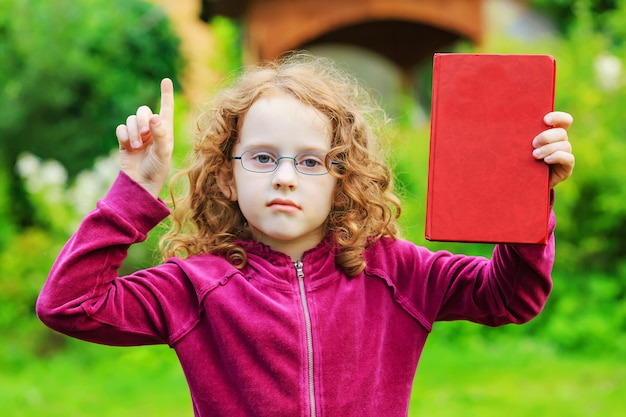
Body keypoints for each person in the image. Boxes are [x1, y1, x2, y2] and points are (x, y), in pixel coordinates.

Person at [36, 54, 575, 417]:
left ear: (344, 174)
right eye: (263, 157)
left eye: (312, 161)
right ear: (227, 172)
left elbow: (512, 297)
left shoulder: (396, 272)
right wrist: (136, 189)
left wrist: (525, 194)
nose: (285, 176)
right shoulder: (196, 287)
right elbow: (69, 304)